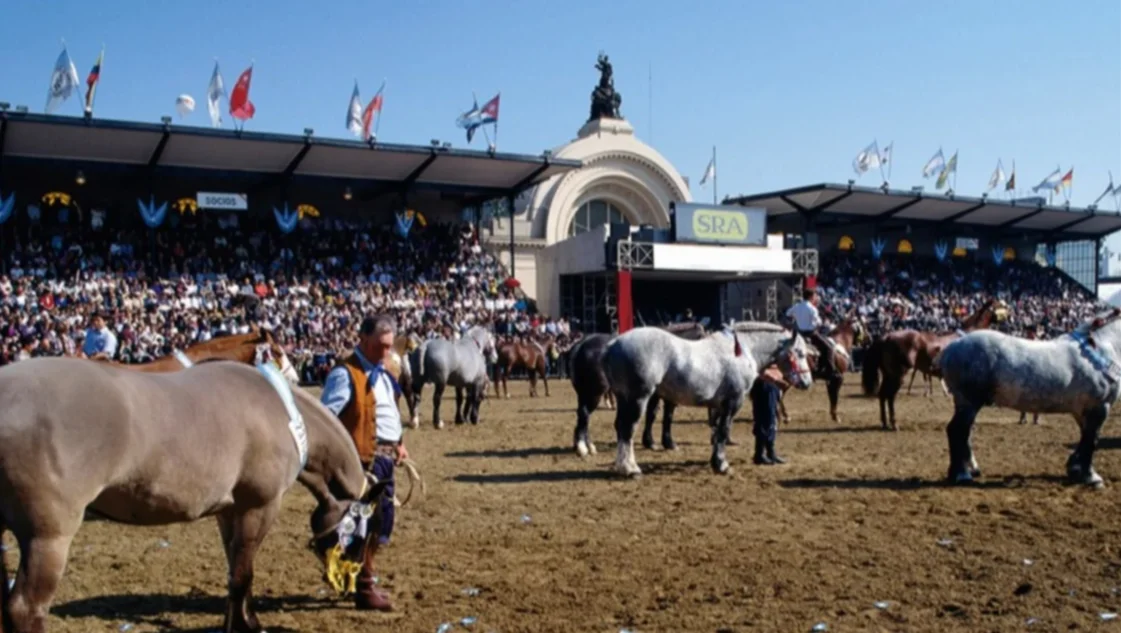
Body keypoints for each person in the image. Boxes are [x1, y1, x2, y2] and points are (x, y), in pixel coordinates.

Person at [320, 314, 409, 612]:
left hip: (384, 458)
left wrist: (399, 443)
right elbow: (326, 420)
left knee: (380, 524)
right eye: (380, 346)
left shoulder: (382, 373)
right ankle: (365, 586)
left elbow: (386, 412)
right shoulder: (346, 374)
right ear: (363, 339)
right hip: (361, 463)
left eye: (389, 347)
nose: (387, 353)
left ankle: (353, 572)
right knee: (366, 525)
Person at [785, 288, 834, 376]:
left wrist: (796, 317)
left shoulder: (797, 306)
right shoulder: (812, 309)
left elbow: (788, 313)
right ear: (811, 297)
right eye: (815, 296)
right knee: (829, 348)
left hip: (799, 335)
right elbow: (818, 323)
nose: (816, 297)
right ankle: (830, 371)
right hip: (811, 334)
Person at [751, 365, 786, 465]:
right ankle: (759, 454)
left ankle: (771, 452)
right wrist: (774, 379)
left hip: (772, 384)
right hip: (764, 384)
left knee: (772, 419)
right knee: (765, 419)